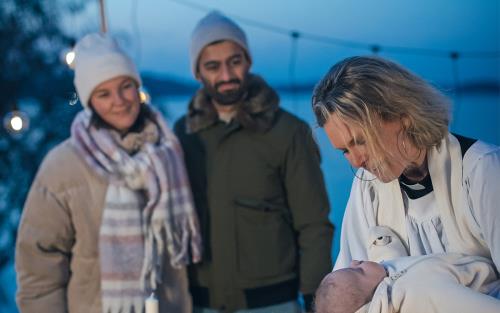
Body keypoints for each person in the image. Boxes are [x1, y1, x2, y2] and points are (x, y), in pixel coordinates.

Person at [15, 33, 202, 313]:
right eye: (104, 93)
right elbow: (39, 268)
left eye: (126, 86)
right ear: (90, 101)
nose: (120, 101)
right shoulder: (63, 165)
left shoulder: (169, 153)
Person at [173, 11, 334, 313]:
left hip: (274, 302)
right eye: (212, 66)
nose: (226, 75)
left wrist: (315, 297)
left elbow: (314, 224)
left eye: (234, 61)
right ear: (198, 73)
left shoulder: (288, 132)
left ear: (248, 61)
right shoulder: (182, 134)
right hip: (200, 302)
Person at [311, 56, 500, 274]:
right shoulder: (368, 187)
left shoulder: (483, 171)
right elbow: (349, 282)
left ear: (402, 115)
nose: (356, 161)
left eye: (360, 141)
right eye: (345, 150)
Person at [314, 254, 500, 313]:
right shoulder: (416, 293)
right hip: (490, 287)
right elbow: (469, 305)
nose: (355, 261)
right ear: (373, 298)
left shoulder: (387, 281)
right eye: (357, 270)